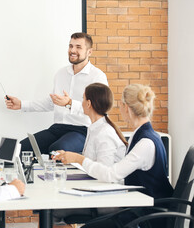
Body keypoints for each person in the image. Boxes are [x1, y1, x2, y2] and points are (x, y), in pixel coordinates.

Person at [53, 84, 173, 227]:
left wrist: (79, 159)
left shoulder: (145, 143)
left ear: (126, 107)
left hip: (146, 214)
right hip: (136, 204)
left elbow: (111, 174)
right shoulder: (142, 135)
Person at [5, 32, 108, 155]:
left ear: (89, 52)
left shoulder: (97, 76)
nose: (73, 50)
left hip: (81, 129)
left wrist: (70, 104)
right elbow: (51, 102)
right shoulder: (61, 73)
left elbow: (100, 109)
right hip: (57, 127)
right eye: (71, 46)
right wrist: (22, 104)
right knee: (17, 149)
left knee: (57, 150)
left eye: (78, 47)